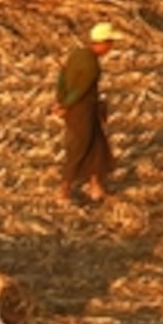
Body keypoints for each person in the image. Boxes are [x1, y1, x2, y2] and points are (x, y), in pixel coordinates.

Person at [56, 21, 119, 203]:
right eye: (110, 43)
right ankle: (64, 190)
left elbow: (62, 76)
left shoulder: (78, 54)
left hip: (82, 107)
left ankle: (95, 186)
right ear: (103, 43)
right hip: (81, 110)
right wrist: (65, 105)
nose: (111, 48)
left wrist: (60, 99)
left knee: (98, 146)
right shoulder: (92, 66)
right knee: (79, 148)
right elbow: (81, 89)